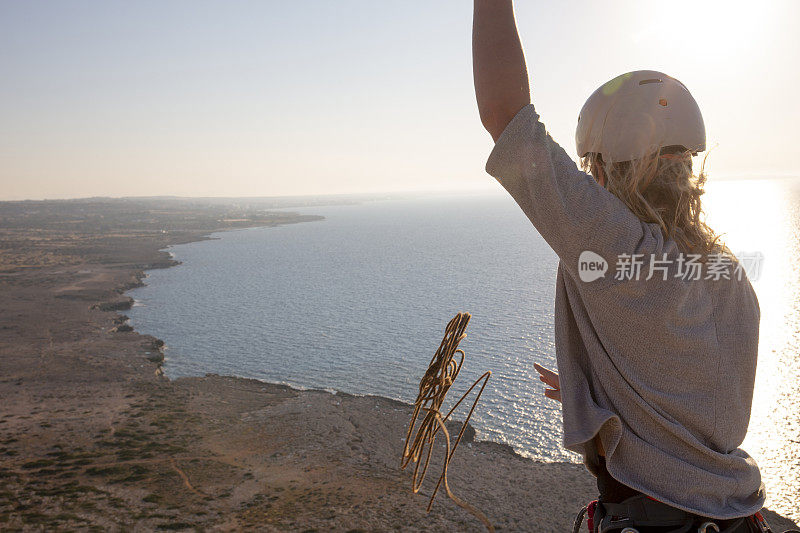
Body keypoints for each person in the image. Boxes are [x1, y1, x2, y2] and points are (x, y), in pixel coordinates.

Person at [471, 2, 787, 532]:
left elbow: (506, 117)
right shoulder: (727, 273)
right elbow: (692, 394)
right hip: (736, 518)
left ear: (608, 166)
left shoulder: (617, 249)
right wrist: (597, 385)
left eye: (592, 168)